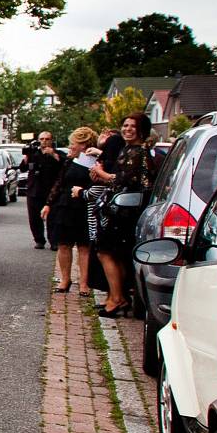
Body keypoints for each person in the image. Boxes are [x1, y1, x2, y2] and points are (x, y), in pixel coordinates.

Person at [91, 113, 155, 318]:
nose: (127, 129)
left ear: (141, 130)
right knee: (113, 254)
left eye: (132, 126)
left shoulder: (138, 153)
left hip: (126, 211)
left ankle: (118, 298)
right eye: (125, 125)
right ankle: (116, 296)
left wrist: (102, 175)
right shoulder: (128, 150)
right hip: (119, 208)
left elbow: (123, 181)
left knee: (106, 252)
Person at [42, 127, 98, 293]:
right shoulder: (69, 161)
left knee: (84, 246)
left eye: (74, 143)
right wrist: (48, 204)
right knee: (64, 244)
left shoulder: (94, 162)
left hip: (84, 205)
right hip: (65, 205)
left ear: (84, 145)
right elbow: (59, 183)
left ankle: (84, 283)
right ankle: (65, 279)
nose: (71, 146)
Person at [21, 131, 65, 250]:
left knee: (53, 217)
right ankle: (39, 240)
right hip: (34, 190)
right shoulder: (33, 153)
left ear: (52, 140)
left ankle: (54, 241)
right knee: (34, 217)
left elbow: (64, 166)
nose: (44, 141)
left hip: (51, 190)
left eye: (47, 139)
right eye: (42, 139)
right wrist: (26, 158)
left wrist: (54, 155)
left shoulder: (58, 153)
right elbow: (23, 168)